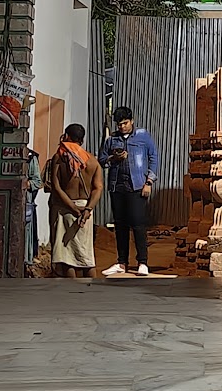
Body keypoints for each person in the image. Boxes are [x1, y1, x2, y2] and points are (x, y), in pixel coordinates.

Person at [100, 105, 159, 276]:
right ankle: (122, 262)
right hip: (117, 187)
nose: (122, 127)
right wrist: (114, 158)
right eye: (119, 124)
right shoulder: (111, 140)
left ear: (132, 121)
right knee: (120, 225)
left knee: (138, 224)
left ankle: (142, 262)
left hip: (137, 186)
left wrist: (149, 181)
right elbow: (102, 159)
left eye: (125, 123)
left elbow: (154, 157)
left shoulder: (143, 136)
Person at [45, 122, 102, 279]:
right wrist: (87, 210)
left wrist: (72, 207)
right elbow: (98, 188)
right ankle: (91, 290)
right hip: (85, 210)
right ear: (81, 140)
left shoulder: (60, 157)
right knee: (86, 257)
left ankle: (70, 291)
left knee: (66, 258)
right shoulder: (92, 161)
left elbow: (56, 186)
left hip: (64, 208)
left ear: (66, 136)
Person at [24, 144, 43, 273]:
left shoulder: (30, 157)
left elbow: (37, 182)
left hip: (25, 204)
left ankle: (26, 262)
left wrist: (26, 184)